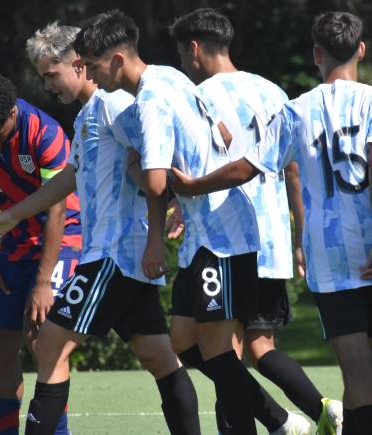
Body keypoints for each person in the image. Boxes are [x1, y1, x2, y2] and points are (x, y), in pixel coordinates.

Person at [71, 9, 310, 435]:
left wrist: (150, 230)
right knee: (185, 343)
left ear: (117, 61)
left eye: (91, 66)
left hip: (223, 236)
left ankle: (282, 422)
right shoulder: (170, 76)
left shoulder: (149, 101)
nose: (90, 77)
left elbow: (158, 184)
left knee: (220, 354)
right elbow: (219, 132)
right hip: (206, 236)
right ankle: (282, 419)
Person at [171, 11, 372, 435]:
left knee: (223, 349)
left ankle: (280, 423)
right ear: (362, 49)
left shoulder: (286, 108)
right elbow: (367, 167)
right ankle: (306, 416)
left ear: (316, 53)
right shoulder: (285, 93)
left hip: (250, 241)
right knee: (285, 353)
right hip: (318, 241)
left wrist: (189, 190)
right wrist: (304, 236)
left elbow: (242, 165)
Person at [0, 22, 199, 434]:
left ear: (78, 65)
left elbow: (159, 153)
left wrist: (175, 208)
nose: (46, 86)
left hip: (113, 256)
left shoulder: (115, 104)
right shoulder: (87, 116)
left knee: (50, 346)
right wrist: (13, 215)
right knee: (158, 356)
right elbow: (69, 177)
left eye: (50, 74)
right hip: (117, 257)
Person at [0, 73, 81, 435]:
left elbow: (57, 206)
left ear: (12, 112)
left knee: (43, 337)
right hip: (16, 242)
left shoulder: (46, 132)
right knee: (1, 342)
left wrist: (43, 282)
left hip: (67, 233)